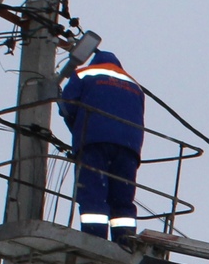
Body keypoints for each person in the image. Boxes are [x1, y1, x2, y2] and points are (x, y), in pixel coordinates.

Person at [58, 47, 146, 241]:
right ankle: (125, 240)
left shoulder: (83, 74)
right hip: (129, 148)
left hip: (94, 141)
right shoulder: (135, 86)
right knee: (122, 198)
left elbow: (68, 107)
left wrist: (77, 129)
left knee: (93, 193)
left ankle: (94, 238)